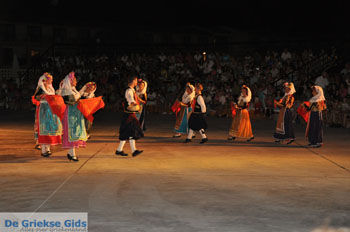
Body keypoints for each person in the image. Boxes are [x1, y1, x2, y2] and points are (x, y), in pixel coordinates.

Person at [58, 72, 88, 161]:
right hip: (69, 114)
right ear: (70, 81)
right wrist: (83, 89)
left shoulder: (72, 89)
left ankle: (71, 153)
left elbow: (78, 96)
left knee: (75, 132)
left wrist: (87, 91)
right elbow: (74, 99)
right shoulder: (66, 90)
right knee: (71, 132)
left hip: (75, 113)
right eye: (74, 80)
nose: (76, 82)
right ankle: (72, 154)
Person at [32, 72, 62, 157]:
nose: (52, 80)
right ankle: (43, 149)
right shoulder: (40, 88)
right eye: (50, 79)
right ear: (45, 80)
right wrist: (43, 97)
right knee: (43, 128)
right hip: (43, 110)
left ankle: (47, 148)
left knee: (49, 129)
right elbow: (36, 97)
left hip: (51, 110)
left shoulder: (50, 88)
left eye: (52, 79)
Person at [115, 75, 143, 157]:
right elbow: (131, 100)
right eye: (136, 81)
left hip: (129, 114)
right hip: (129, 115)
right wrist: (135, 104)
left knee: (128, 132)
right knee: (131, 131)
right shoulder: (129, 91)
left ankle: (120, 150)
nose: (137, 82)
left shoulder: (131, 90)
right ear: (133, 81)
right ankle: (133, 150)